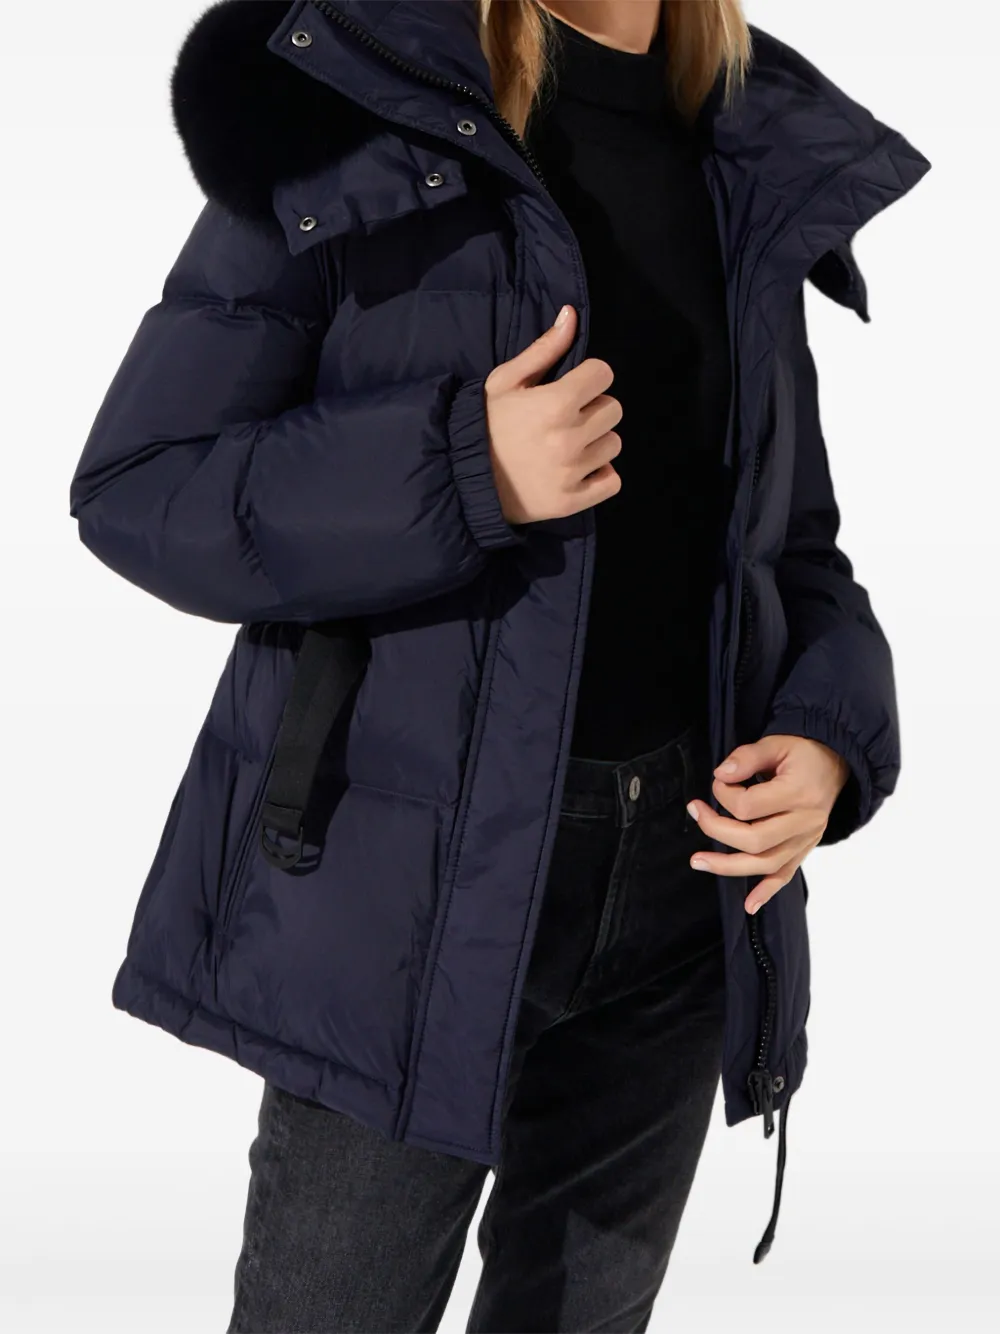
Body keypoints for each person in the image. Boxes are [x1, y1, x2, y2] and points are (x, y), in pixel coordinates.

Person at [68, 1, 929, 1329]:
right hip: (410, 897)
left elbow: (792, 548)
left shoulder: (740, 141)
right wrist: (461, 467)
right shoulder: (356, 99)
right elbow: (142, 483)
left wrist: (828, 739)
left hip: (684, 892)